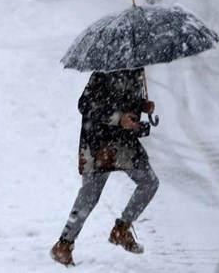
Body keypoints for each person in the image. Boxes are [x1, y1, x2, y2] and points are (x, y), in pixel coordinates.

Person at [50, 68, 159, 266]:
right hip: (98, 144)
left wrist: (143, 106)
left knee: (149, 182)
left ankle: (121, 229)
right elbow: (85, 104)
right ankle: (63, 245)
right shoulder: (103, 73)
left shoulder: (136, 72)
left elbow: (127, 103)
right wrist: (118, 118)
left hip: (124, 142)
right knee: (89, 197)